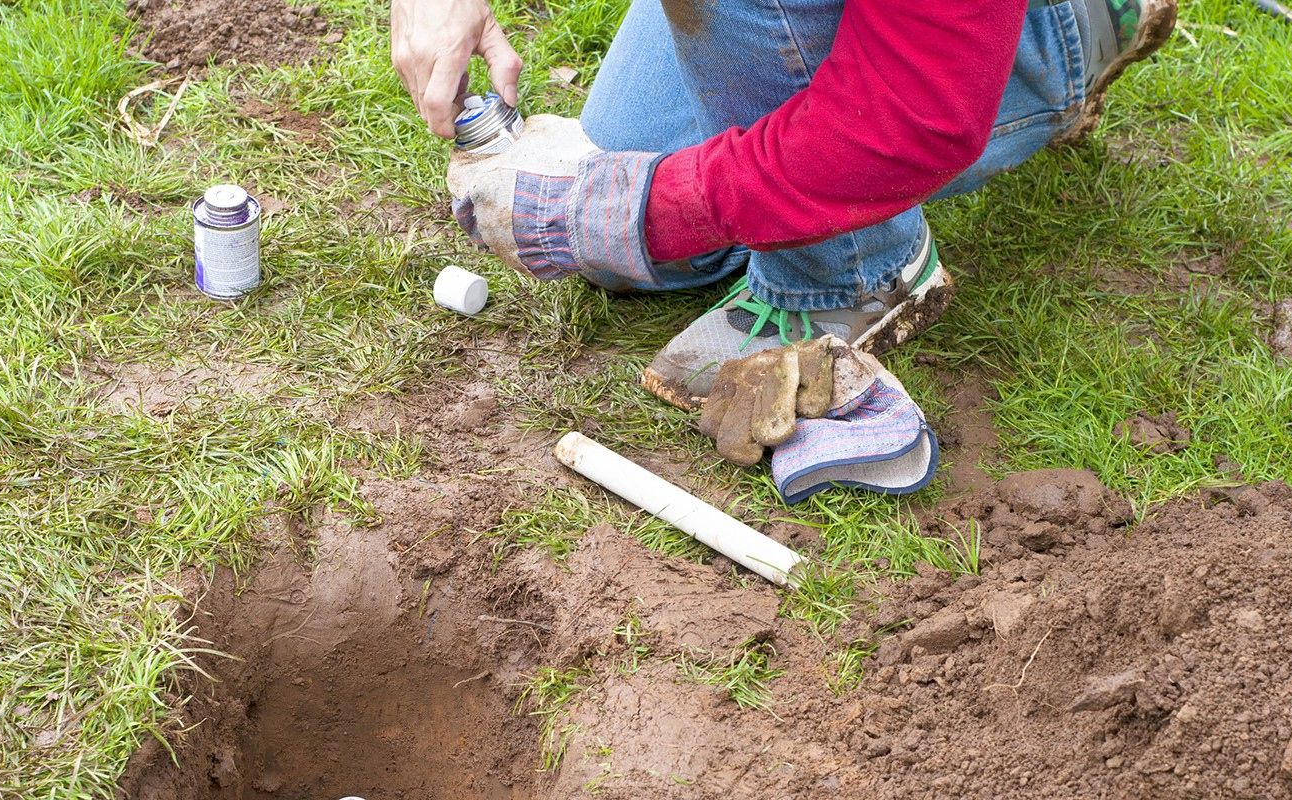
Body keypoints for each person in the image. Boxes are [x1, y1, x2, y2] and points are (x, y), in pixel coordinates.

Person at [394, 0, 1176, 497]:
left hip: (950, 42)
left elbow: (911, 118)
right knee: (638, 190)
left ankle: (855, 273)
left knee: (662, 211)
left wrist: (635, 209)